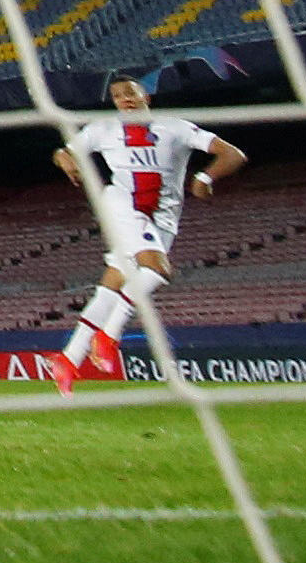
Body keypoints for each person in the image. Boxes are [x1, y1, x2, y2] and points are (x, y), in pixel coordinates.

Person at [46, 73, 249, 395]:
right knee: (157, 270)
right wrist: (67, 161)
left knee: (112, 285)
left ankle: (69, 359)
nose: (124, 99)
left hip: (164, 217)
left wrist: (206, 178)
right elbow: (63, 152)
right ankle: (109, 337)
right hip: (123, 204)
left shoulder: (175, 128)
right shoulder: (103, 129)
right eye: (117, 96)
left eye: (130, 93)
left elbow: (233, 154)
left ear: (146, 97)